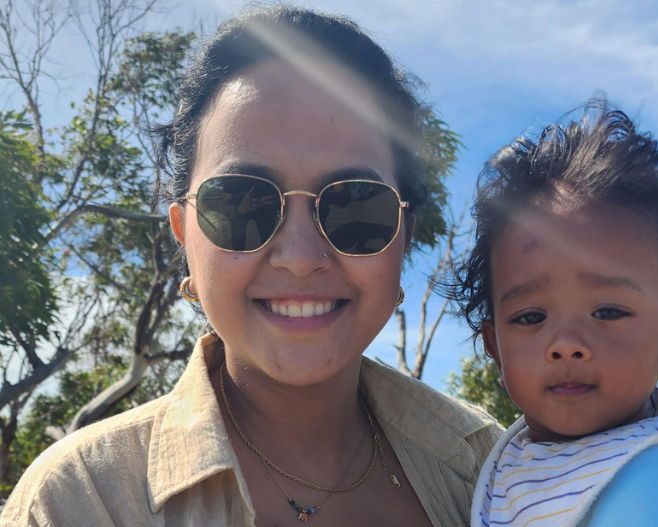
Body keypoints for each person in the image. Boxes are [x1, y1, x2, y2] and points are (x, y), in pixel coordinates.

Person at [0, 6, 503, 526]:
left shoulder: (493, 470)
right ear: (184, 234)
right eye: (242, 203)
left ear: (404, 236)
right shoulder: (78, 502)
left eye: (355, 206)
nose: (300, 258)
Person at [447, 102, 658, 526]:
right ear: (496, 348)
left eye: (607, 311)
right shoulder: (511, 465)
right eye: (530, 317)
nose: (566, 344)